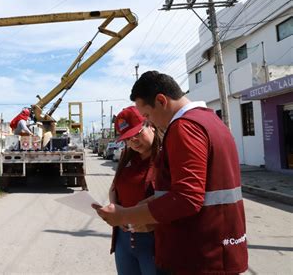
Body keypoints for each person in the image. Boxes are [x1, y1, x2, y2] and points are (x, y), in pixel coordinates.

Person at [93, 71, 248, 274]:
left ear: (161, 101)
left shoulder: (184, 127)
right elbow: (196, 191)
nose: (152, 123)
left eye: (147, 116)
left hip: (197, 256)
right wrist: (148, 206)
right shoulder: (210, 121)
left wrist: (126, 216)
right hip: (217, 250)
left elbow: (187, 197)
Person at [109, 106, 163, 275]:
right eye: (128, 139)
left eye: (138, 133)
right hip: (124, 241)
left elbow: (177, 197)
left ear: (150, 124)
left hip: (155, 240)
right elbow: (114, 187)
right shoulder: (127, 157)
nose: (134, 141)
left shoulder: (166, 157)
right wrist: (114, 209)